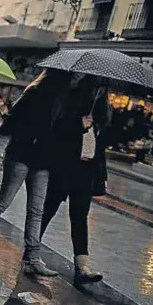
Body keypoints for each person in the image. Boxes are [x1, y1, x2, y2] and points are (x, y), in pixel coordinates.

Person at [0, 70, 78, 277]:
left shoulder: (68, 102)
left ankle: (32, 257)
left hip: (43, 161)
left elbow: (63, 135)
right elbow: (12, 122)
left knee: (37, 210)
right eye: (71, 78)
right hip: (20, 154)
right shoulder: (35, 93)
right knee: (4, 200)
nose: (73, 83)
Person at [39, 74, 108, 284]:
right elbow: (55, 133)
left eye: (104, 88)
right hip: (65, 167)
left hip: (86, 172)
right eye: (97, 86)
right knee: (47, 210)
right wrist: (78, 124)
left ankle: (82, 266)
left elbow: (101, 147)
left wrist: (102, 176)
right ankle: (31, 251)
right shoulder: (71, 101)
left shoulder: (102, 112)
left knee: (79, 216)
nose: (100, 91)